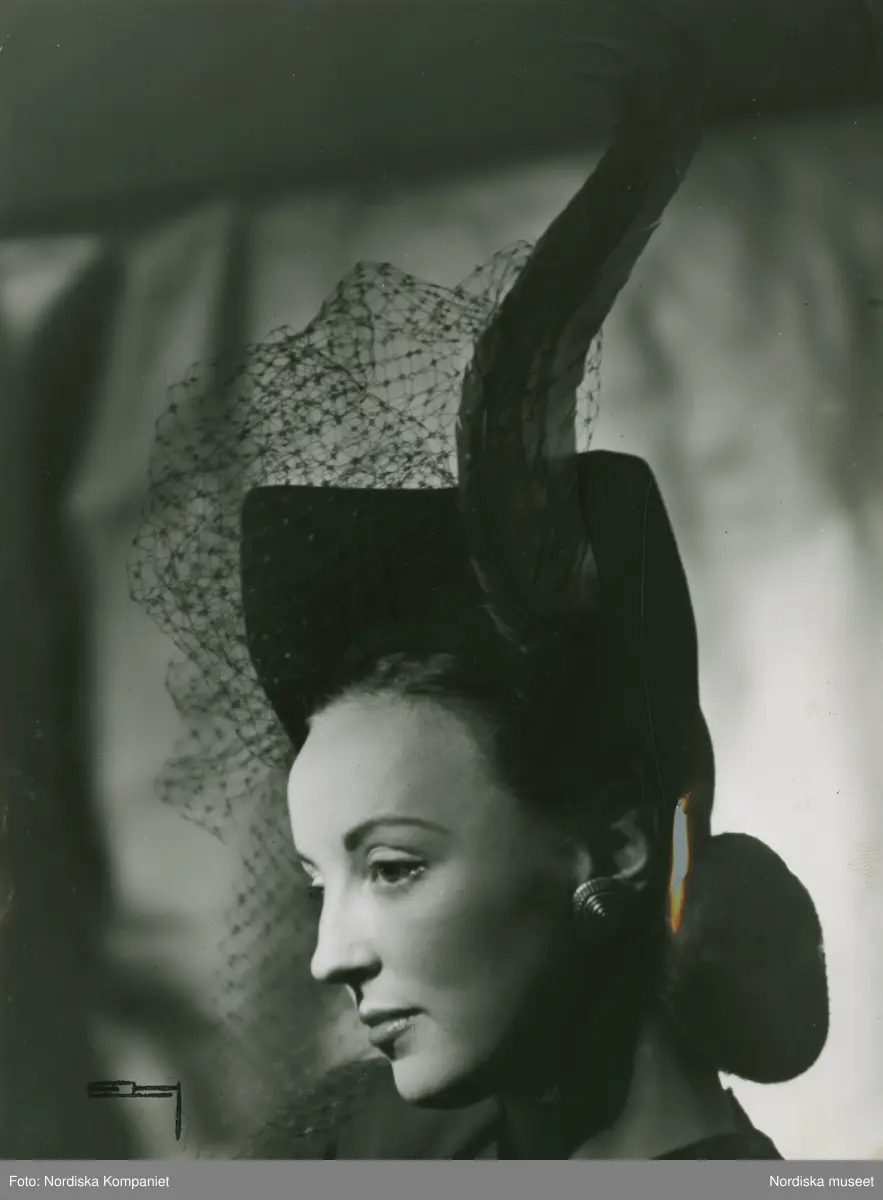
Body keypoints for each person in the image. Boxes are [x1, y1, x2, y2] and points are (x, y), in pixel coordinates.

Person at [131, 10, 833, 1161]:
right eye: (319, 881)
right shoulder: (359, 1143)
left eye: (393, 867)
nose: (331, 956)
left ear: (611, 852)